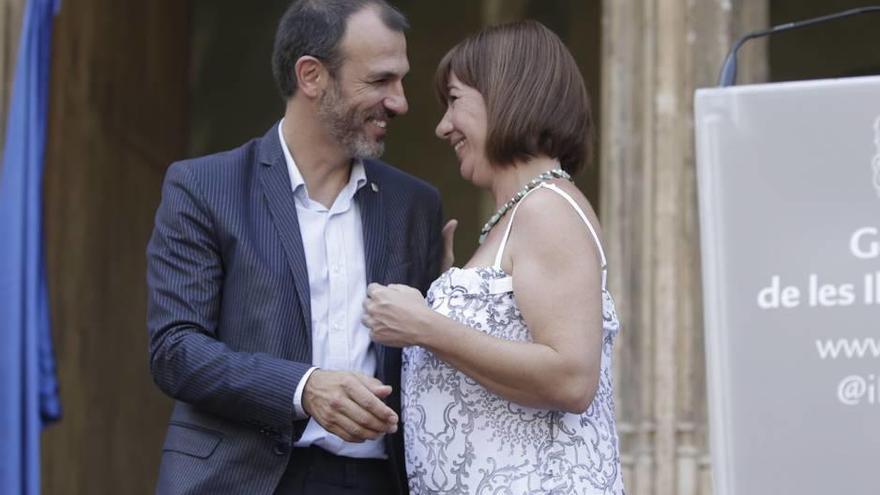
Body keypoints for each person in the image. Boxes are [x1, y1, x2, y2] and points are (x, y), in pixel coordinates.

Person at [146, 1, 445, 493]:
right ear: (311, 76)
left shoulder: (415, 205)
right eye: (380, 81)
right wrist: (304, 389)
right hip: (237, 479)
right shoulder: (203, 187)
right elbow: (175, 350)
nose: (400, 102)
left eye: (401, 81)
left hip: (377, 481)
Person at [363, 20, 625, 494]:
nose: (443, 127)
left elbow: (571, 378)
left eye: (455, 101)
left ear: (506, 94)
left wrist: (426, 325)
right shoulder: (522, 211)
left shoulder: (548, 209)